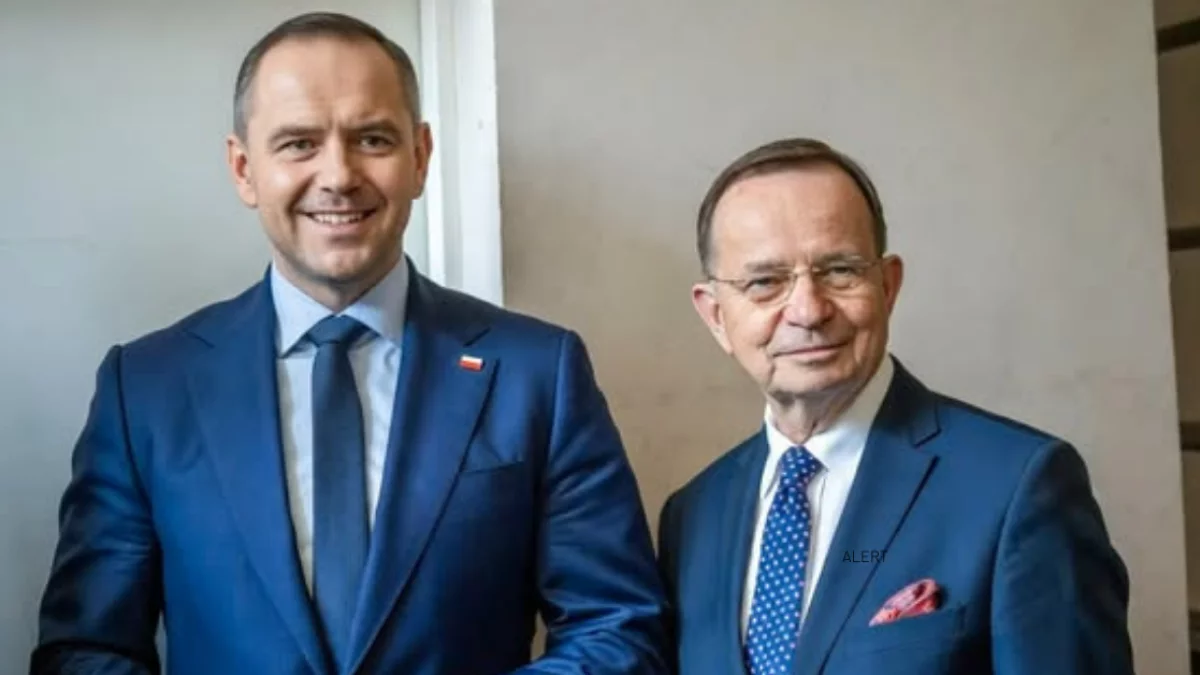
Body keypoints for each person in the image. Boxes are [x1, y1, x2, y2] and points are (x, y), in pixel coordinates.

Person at [31, 12, 667, 675]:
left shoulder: (537, 373)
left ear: (419, 157)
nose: (338, 174)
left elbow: (617, 628)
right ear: (244, 169)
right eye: (299, 143)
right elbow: (86, 650)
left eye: (372, 138)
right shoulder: (147, 389)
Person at [656, 137, 1134, 674]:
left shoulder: (1017, 487)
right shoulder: (692, 516)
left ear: (887, 286)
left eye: (839, 270)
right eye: (765, 283)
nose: (808, 311)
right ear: (716, 315)